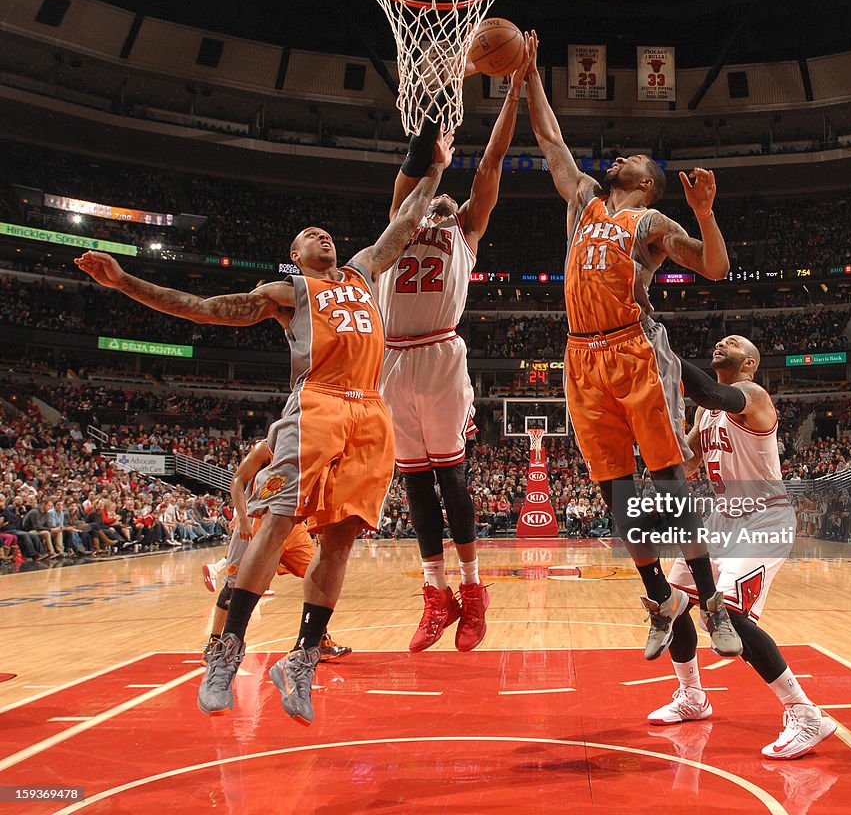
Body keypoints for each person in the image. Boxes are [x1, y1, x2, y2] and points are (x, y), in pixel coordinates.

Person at [75, 129, 451, 725]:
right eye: (308, 235)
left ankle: (301, 660)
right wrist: (126, 283)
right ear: (295, 256)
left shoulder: (360, 273)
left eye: (325, 232)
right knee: (277, 522)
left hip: (372, 413)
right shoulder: (289, 292)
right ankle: (225, 650)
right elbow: (204, 307)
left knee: (342, 540)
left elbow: (405, 222)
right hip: (320, 404)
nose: (321, 235)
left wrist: (435, 167)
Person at [523, 31, 740, 660]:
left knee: (669, 484)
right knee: (616, 495)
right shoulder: (586, 203)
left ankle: (711, 602)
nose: (620, 158)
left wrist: (704, 212)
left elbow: (715, 268)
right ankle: (661, 600)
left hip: (634, 350)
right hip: (581, 357)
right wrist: (530, 75)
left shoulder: (650, 222)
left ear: (648, 183)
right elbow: (550, 142)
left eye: (634, 158)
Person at [379, 43, 533, 654]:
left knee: (451, 477)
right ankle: (434, 593)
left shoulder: (464, 228)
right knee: (415, 484)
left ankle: (474, 593)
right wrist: (437, 103)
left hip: (440, 355)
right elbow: (414, 167)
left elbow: (493, 160)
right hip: (392, 357)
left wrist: (514, 91)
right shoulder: (400, 216)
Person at [646, 335, 836, 760]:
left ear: (749, 362)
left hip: (763, 516)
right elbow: (687, 461)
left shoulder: (752, 395)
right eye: (717, 340)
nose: (719, 343)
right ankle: (693, 697)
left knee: (726, 613)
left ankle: (806, 714)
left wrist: (658, 348)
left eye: (732, 342)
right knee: (670, 603)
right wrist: (655, 428)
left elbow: (709, 389)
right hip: (721, 517)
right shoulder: (705, 411)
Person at [200, 439, 349, 666]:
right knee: (234, 585)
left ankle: (316, 639)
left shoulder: (313, 447)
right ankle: (216, 642)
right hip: (258, 520)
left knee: (318, 575)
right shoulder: (265, 448)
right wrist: (241, 516)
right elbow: (238, 480)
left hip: (293, 524)